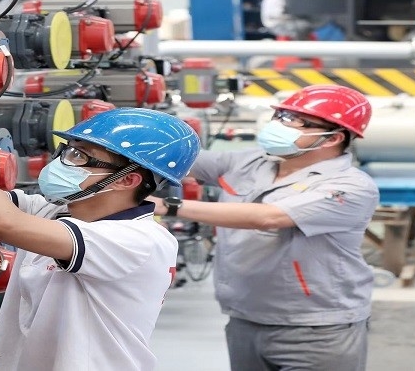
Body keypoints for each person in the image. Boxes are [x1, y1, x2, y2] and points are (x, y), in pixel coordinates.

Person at [0, 108, 201, 370]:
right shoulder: (57, 211)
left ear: (128, 179)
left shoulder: (138, 240)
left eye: (80, 156)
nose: (64, 161)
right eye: (68, 150)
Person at [152, 85, 379, 371]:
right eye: (281, 116)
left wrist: (168, 206)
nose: (279, 126)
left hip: (316, 330)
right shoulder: (252, 162)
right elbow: (184, 160)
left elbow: (268, 217)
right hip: (245, 318)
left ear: (332, 138)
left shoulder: (350, 186)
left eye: (294, 121)